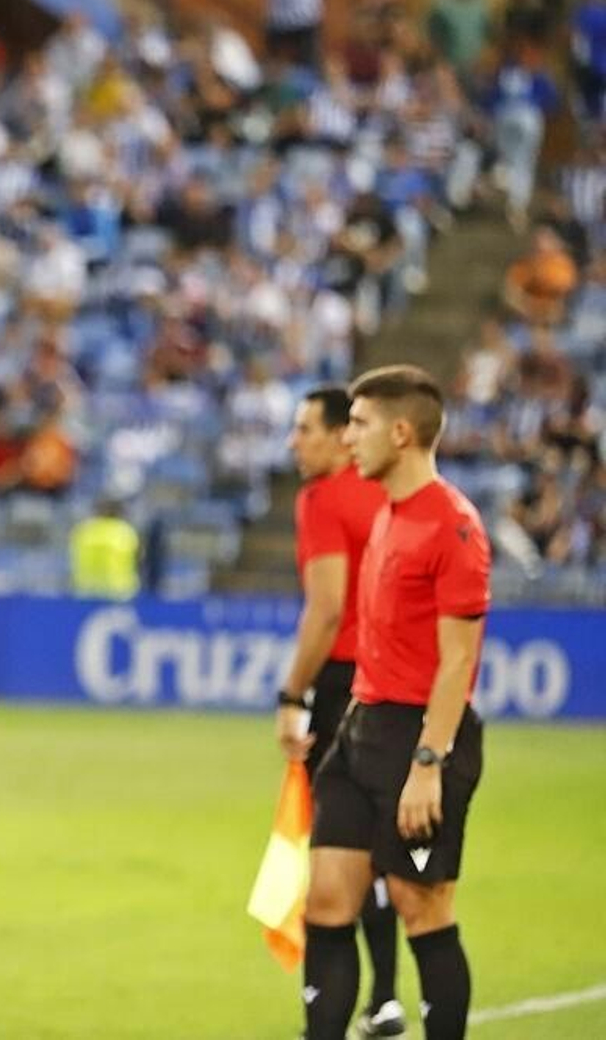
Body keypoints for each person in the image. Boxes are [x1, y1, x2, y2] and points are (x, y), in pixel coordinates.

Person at [303, 365, 492, 1040]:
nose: (347, 438)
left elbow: (459, 660)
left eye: (359, 424)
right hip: (360, 734)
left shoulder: (454, 527)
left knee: (420, 904)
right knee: (326, 897)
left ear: (402, 432)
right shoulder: (388, 513)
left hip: (419, 743)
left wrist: (427, 763)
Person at [277, 386, 401, 1037]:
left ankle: (330, 1016)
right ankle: (385, 994)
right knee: (381, 846)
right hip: (392, 683)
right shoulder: (386, 490)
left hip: (341, 683)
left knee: (337, 849)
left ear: (337, 434)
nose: (294, 441)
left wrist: (292, 694)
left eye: (305, 429)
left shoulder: (323, 498)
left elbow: (326, 611)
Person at [69, 498, 140, 600]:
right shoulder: (125, 530)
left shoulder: (83, 529)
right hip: (119, 590)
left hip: (85, 589)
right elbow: (138, 558)